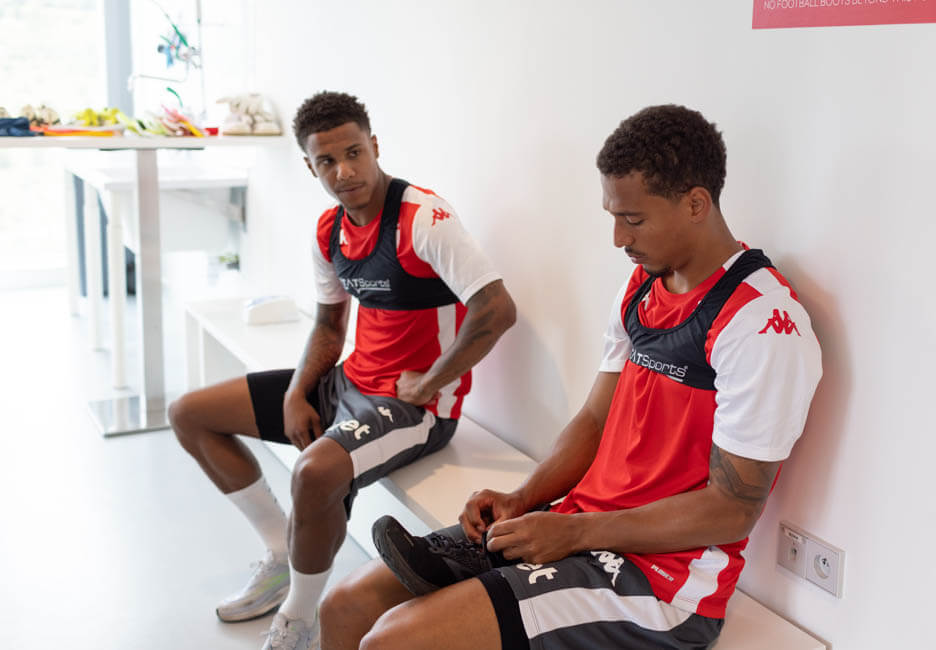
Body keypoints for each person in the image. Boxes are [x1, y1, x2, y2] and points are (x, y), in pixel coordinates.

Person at [320, 104, 823, 650]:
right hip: (579, 521)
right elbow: (594, 420)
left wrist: (576, 533)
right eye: (613, 216)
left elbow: (731, 510)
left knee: (393, 640)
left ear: (696, 204)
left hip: (664, 582)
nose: (617, 238)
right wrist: (523, 498)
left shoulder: (761, 322)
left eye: (633, 220)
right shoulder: (641, 286)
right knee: (346, 603)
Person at [168, 91, 516, 650]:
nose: (344, 171)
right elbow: (330, 327)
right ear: (311, 167)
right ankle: (280, 556)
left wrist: (429, 382)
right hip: (348, 382)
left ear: (374, 146)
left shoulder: (423, 218)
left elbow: (497, 309)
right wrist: (297, 392)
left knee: (313, 473)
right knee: (190, 414)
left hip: (414, 407)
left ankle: (299, 617)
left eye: (354, 153)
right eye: (327, 161)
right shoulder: (329, 230)